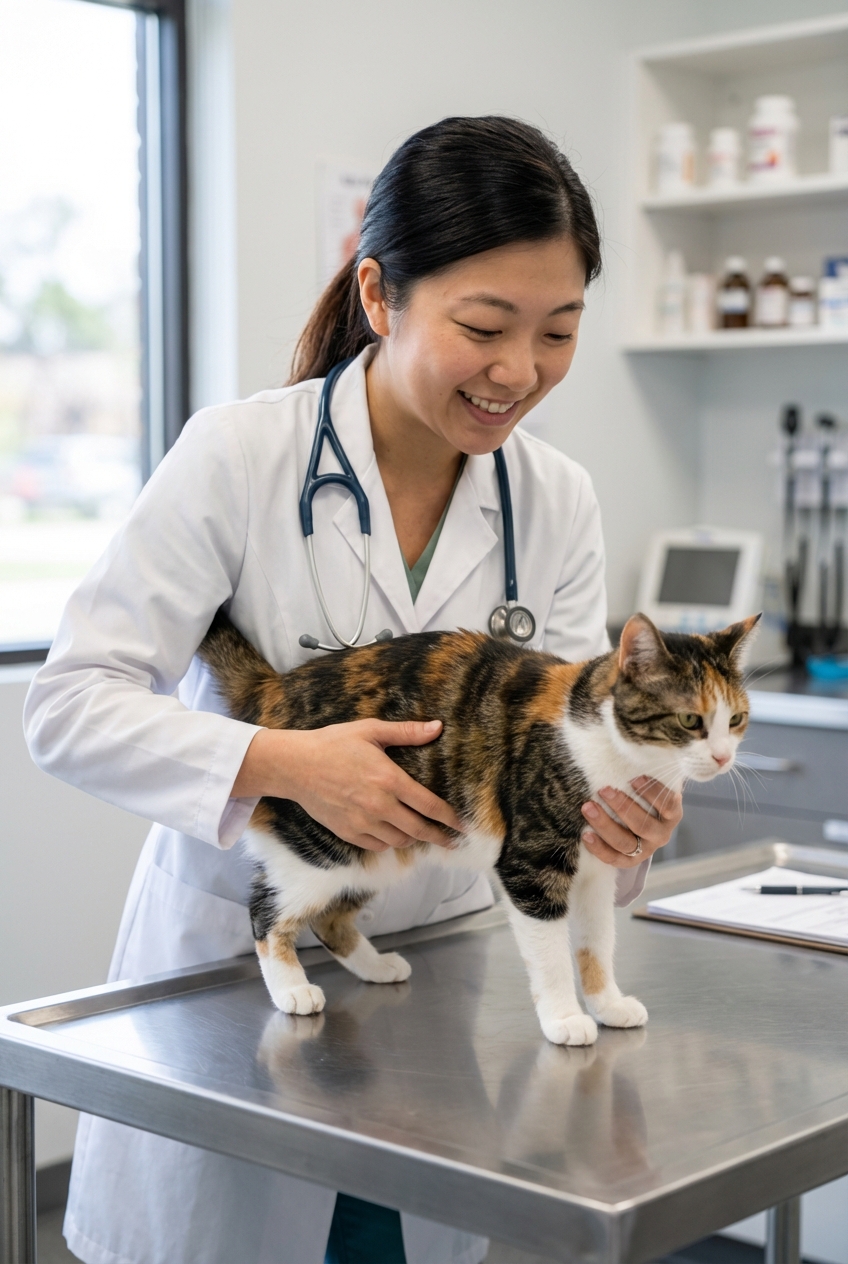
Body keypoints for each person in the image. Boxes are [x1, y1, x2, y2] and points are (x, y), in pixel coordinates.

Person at [24, 116, 682, 1264]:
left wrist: (622, 820)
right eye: (482, 326)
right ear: (378, 294)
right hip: (236, 992)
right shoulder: (237, 458)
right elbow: (70, 702)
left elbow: (565, 761)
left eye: (558, 332)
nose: (518, 372)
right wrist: (280, 761)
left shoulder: (556, 498)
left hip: (443, 1000)